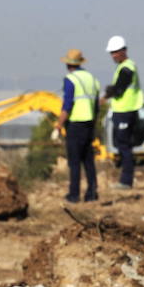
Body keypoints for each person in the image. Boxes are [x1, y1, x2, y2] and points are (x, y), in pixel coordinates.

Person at [53, 48, 100, 203]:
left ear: (68, 64)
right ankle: (92, 193)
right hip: (90, 123)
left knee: (74, 162)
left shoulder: (71, 80)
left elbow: (67, 106)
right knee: (88, 160)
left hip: (75, 124)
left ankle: (74, 195)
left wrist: (58, 126)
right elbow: (96, 105)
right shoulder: (92, 79)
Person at [100, 35, 143, 190]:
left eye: (115, 52)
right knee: (121, 145)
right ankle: (125, 178)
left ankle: (126, 181)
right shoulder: (122, 67)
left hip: (126, 111)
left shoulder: (127, 67)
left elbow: (119, 88)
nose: (113, 55)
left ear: (123, 51)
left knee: (124, 146)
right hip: (121, 111)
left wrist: (106, 95)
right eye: (111, 53)